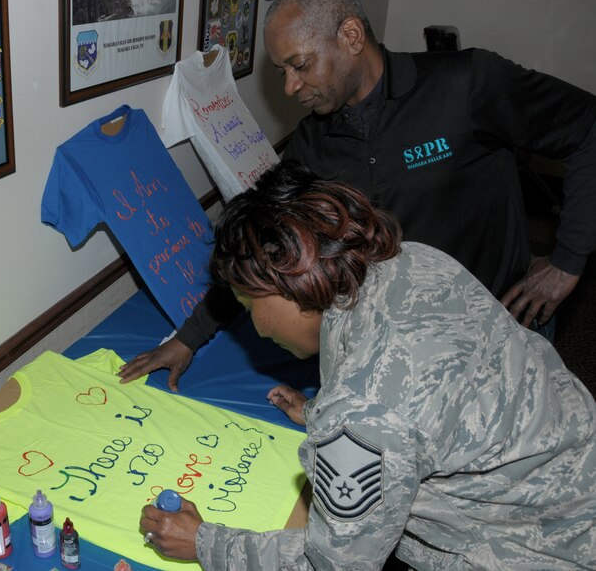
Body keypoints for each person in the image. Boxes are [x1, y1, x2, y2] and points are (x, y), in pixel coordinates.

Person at [118, 0, 596, 389]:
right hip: (400, 353)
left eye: (299, 65)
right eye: (282, 71)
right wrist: (188, 338)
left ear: (350, 36)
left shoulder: (467, 85)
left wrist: (567, 261)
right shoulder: (312, 144)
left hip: (501, 332)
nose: (289, 87)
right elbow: (261, 250)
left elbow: (587, 128)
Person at [138, 160, 596, 570]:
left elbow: (332, 565)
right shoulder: (413, 258)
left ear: (294, 281)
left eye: (247, 301)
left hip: (536, 550)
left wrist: (204, 543)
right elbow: (438, 395)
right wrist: (324, 414)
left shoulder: (363, 414)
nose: (255, 328)